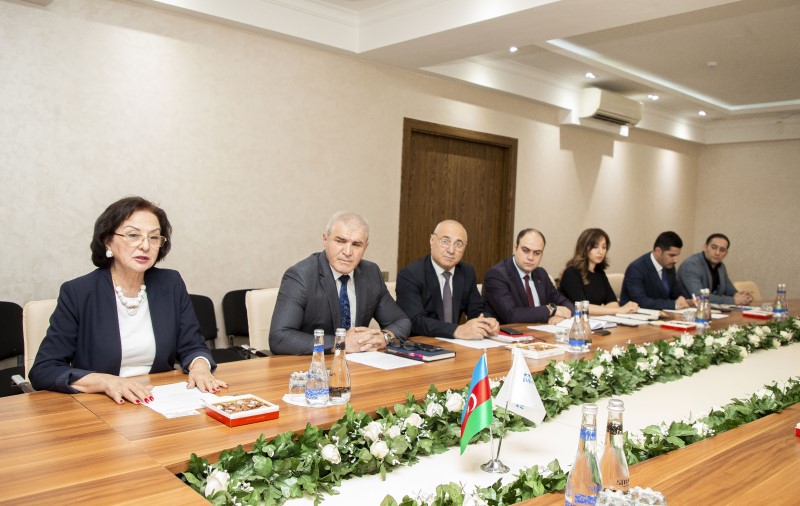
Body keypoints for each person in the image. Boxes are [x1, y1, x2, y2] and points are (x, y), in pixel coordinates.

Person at [29, 197, 226, 404]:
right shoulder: (78, 292)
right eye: (133, 235)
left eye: (154, 237)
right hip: (101, 404)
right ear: (107, 241)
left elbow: (193, 346)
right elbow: (44, 369)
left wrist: (200, 367)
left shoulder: (170, 283)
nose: (145, 246)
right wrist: (106, 382)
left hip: (159, 399)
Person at [269, 211, 411, 355]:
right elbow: (279, 338)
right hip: (315, 363)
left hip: (360, 363)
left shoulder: (371, 273)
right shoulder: (301, 276)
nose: (348, 252)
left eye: (356, 244)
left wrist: (384, 337)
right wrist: (340, 343)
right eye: (340, 241)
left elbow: (401, 321)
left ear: (365, 247)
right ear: (325, 240)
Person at [395, 220, 499, 339]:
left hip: (455, 344)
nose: (451, 250)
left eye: (458, 244)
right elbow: (415, 321)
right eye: (445, 241)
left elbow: (476, 310)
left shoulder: (466, 272)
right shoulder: (410, 274)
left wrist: (487, 322)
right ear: (432, 240)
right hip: (422, 343)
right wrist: (456, 330)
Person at [482, 228, 574, 324]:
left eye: (537, 253)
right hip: (511, 332)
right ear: (515, 248)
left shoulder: (541, 274)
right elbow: (512, 315)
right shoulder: (496, 275)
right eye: (525, 250)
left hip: (541, 330)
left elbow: (567, 304)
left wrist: (561, 317)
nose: (531, 257)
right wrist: (551, 310)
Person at [558, 228, 639, 316]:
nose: (601, 252)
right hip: (573, 321)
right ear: (584, 248)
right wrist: (619, 310)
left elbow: (613, 303)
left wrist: (604, 310)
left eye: (604, 247)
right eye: (595, 247)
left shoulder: (600, 273)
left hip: (595, 320)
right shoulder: (571, 272)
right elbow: (582, 307)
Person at [619, 231, 690, 310]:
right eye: (671, 255)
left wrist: (682, 299)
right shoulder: (636, 268)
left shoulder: (669, 267)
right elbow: (641, 301)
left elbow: (675, 293)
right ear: (658, 251)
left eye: (677, 255)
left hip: (662, 313)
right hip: (635, 314)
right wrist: (674, 305)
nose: (676, 260)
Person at [677, 233, 753, 305]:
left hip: (710, 310)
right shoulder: (691, 264)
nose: (717, 253)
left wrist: (741, 296)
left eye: (722, 250)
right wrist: (734, 300)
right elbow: (700, 296)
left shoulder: (720, 266)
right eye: (714, 247)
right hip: (687, 310)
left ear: (726, 253)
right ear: (705, 247)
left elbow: (729, 290)